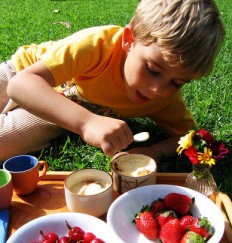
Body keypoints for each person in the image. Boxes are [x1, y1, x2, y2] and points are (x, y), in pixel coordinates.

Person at [0, 0, 225, 163]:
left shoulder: (165, 99)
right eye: (152, 70)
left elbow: (190, 138)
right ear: (129, 40)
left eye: (177, 83)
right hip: (27, 70)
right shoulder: (96, 46)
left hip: (59, 112)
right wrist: (87, 123)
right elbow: (21, 84)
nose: (158, 89)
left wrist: (152, 151)